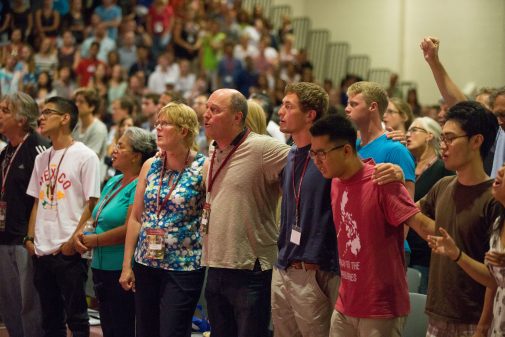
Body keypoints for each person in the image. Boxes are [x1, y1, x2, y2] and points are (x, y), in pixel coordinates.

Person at [309, 113, 435, 337]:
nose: (317, 160)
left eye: (322, 153)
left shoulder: (381, 181)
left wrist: (460, 249)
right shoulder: (336, 182)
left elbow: (419, 223)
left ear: (347, 150)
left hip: (380, 307)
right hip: (346, 302)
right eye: (313, 153)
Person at [202, 88, 290, 337]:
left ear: (237, 117)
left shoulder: (264, 148)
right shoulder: (214, 149)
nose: (206, 115)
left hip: (250, 268)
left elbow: (310, 162)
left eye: (215, 110)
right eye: (207, 108)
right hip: (216, 263)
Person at [119, 102, 206, 337]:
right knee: (146, 330)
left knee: (172, 330)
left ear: (184, 130)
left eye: (164, 124)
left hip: (183, 266)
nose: (157, 128)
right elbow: (136, 217)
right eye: (157, 123)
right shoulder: (151, 164)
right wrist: (127, 264)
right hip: (146, 262)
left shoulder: (203, 167)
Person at [416, 101, 501, 337]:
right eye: (442, 138)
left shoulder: (494, 198)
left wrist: (484, 324)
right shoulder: (443, 185)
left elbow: (494, 276)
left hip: (473, 321)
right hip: (437, 314)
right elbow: (410, 212)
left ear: (476, 141)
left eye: (450, 139)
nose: (443, 146)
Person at [24, 96, 101, 337]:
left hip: (69, 249)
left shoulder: (86, 156)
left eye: (48, 112)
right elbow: (37, 200)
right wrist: (30, 237)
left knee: (77, 318)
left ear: (65, 118)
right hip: (42, 249)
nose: (41, 117)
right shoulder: (41, 157)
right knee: (50, 318)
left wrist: (73, 241)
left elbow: (93, 204)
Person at [73, 127, 156, 337]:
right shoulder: (114, 180)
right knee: (109, 327)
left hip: (121, 268)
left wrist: (95, 240)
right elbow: (96, 214)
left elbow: (129, 228)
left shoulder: (139, 184)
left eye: (121, 146)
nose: (114, 150)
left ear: (137, 156)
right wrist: (82, 232)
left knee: (122, 327)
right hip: (100, 266)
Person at [272, 82, 339, 337]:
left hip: (314, 269)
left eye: (288, 106)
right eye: (282, 105)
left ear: (310, 114)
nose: (281, 111)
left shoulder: (329, 156)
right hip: (283, 266)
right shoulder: (289, 155)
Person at [428, 163, 505, 337]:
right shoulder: (498, 224)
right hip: (498, 323)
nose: (500, 170)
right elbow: (492, 281)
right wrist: (456, 254)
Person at [0, 92, 49, 337]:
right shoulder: (6, 152)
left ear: (21, 119)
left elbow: (47, 198)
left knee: (30, 305)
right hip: (3, 237)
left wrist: (33, 237)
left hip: (26, 240)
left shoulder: (39, 148)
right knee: (9, 305)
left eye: (5, 110)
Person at [405, 117, 453, 294]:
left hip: (426, 250)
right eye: (408, 130)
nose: (408, 134)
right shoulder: (407, 165)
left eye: (415, 130)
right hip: (404, 246)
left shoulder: (443, 169)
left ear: (430, 136)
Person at [72, 88, 108, 179]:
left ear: (92, 107)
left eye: (81, 102)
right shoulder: (75, 125)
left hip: (93, 177)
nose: (77, 104)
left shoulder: (99, 128)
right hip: (76, 173)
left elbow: (90, 157)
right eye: (76, 101)